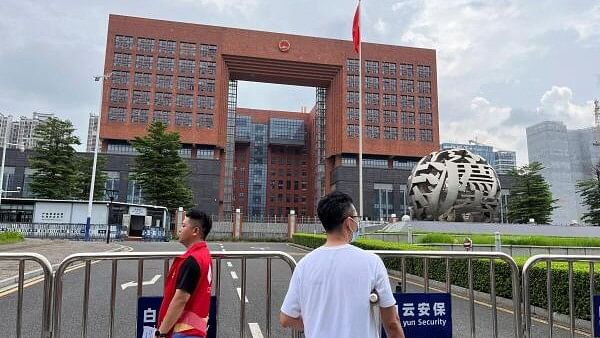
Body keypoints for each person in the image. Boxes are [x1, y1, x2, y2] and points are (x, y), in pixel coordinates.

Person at [280, 191, 404, 338]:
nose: (358, 223)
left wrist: (311, 325)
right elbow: (392, 323)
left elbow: (286, 318)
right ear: (349, 223)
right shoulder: (372, 262)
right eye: (357, 218)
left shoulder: (304, 265)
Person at [155, 209, 213, 338]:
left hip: (184, 332)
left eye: (183, 225)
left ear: (195, 231)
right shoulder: (204, 254)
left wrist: (161, 333)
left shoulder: (192, 260)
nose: (179, 229)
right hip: (196, 329)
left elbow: (180, 299)